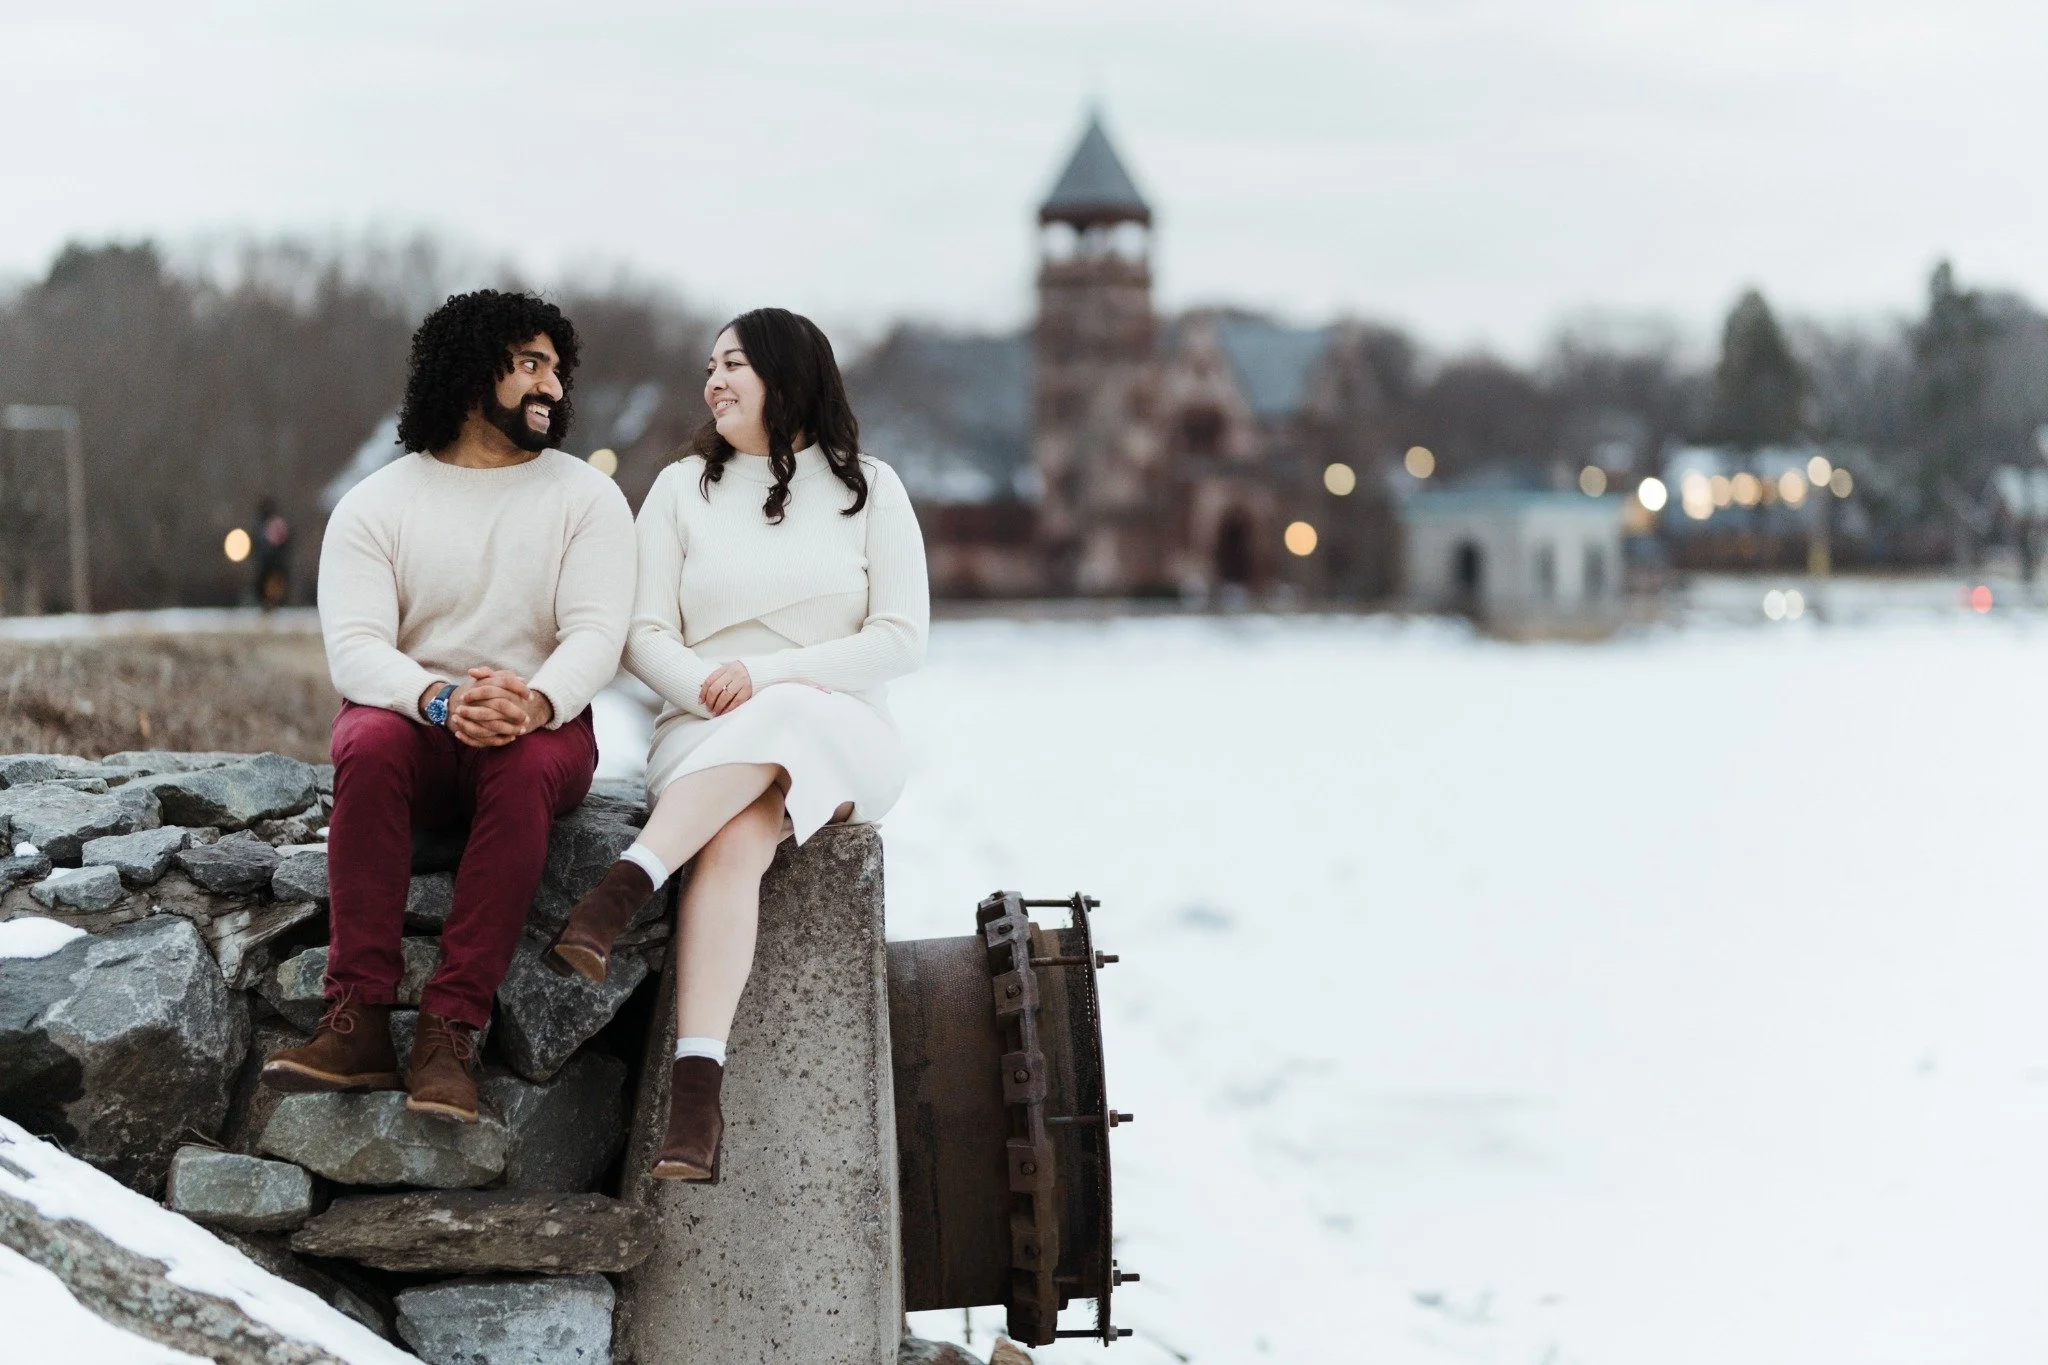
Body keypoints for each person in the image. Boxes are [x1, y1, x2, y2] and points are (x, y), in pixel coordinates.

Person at [545, 307, 928, 1180]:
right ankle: (696, 1099)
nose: (713, 381)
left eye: (733, 365)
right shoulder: (682, 489)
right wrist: (716, 692)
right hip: (704, 736)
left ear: (787, 378)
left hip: (842, 732)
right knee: (736, 837)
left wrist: (765, 675)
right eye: (708, 366)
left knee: (792, 710)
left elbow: (902, 638)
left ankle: (628, 881)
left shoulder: (874, 488)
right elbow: (643, 632)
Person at [262, 290, 636, 1123]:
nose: (552, 386)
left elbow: (597, 634)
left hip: (540, 729)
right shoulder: (377, 504)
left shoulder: (586, 499)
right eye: (530, 365)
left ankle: (450, 1028)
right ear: (473, 373)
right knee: (364, 740)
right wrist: (438, 698)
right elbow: (355, 649)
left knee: (524, 763)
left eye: (556, 369)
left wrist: (533, 701)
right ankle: (355, 1019)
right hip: (418, 723)